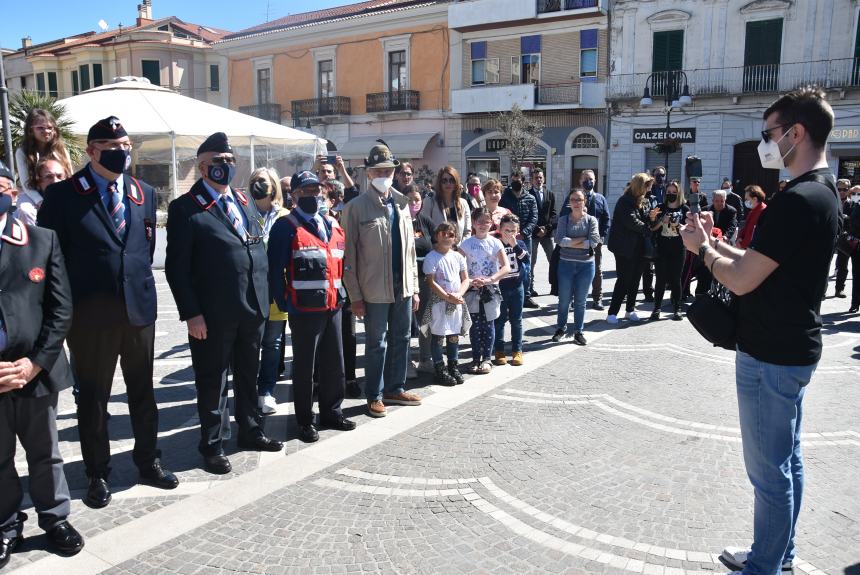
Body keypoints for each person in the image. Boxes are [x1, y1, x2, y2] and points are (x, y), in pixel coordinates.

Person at [680, 86, 840, 575]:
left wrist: (702, 252)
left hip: (773, 353)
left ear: (796, 133)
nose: (764, 144)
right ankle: (777, 555)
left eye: (768, 134)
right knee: (785, 464)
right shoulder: (818, 192)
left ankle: (766, 565)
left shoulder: (799, 200)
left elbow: (744, 278)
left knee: (769, 472)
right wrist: (716, 242)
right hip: (784, 348)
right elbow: (757, 261)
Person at [38, 116, 178, 507]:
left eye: (127, 146)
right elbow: (53, 260)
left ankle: (148, 461)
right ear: (92, 151)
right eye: (114, 148)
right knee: (95, 398)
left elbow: (142, 251)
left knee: (143, 393)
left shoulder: (142, 191)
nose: (123, 153)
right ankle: (97, 472)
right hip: (89, 317)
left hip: (138, 312)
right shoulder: (64, 196)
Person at [165, 132, 283, 475]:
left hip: (251, 309)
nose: (227, 167)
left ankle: (250, 430)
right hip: (213, 315)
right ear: (203, 168)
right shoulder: (186, 208)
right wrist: (192, 314)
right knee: (213, 382)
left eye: (231, 161)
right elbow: (177, 269)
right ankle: (213, 445)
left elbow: (254, 245)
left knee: (248, 375)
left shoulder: (243, 201)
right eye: (219, 162)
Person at [0, 163, 84, 566]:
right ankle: (5, 524)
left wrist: (35, 364)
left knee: (45, 452)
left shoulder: (42, 240)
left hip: (34, 373)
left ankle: (54, 519)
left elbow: (60, 309)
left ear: (14, 194)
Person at [268, 170, 356, 443]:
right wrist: (286, 303)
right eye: (305, 191)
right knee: (305, 369)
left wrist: (343, 296)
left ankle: (332, 411)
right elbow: (274, 271)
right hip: (304, 310)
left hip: (333, 305)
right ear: (293, 196)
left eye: (315, 190)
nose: (312, 195)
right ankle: (305, 421)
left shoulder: (333, 223)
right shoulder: (286, 226)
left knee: (334, 363)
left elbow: (341, 263)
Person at [341, 143, 422, 418]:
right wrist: (355, 296)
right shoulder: (355, 208)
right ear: (368, 173)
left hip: (403, 287)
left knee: (402, 337)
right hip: (373, 289)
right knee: (377, 343)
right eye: (378, 170)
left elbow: (410, 250)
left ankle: (394, 388)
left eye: (388, 170)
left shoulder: (402, 203)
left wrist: (415, 286)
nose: (384, 174)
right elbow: (348, 257)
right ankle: (374, 394)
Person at [248, 167, 288, 416]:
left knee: (272, 344)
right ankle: (247, 391)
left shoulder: (284, 216)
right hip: (250, 290)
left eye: (262, 181)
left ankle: (266, 391)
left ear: (273, 186)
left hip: (276, 289)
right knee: (251, 344)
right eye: (254, 181)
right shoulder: (241, 212)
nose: (258, 185)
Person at [460, 208, 510, 374]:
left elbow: (506, 267)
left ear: (491, 223)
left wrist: (490, 279)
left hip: (490, 290)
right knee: (474, 325)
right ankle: (475, 358)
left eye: (486, 222)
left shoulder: (496, 242)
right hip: (472, 290)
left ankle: (487, 358)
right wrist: (467, 280)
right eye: (479, 221)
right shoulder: (466, 244)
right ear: (473, 223)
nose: (483, 225)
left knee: (489, 324)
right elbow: (458, 265)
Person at [422, 222, 470, 386]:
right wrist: (447, 297)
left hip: (456, 301)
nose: (447, 237)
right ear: (437, 236)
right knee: (438, 336)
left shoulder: (457, 256)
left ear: (455, 238)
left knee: (454, 335)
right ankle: (439, 368)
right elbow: (431, 282)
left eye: (451, 234)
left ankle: (453, 365)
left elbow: (465, 279)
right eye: (443, 234)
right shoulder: (431, 257)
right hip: (439, 303)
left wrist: (459, 294)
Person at [553, 188, 599, 345]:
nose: (576, 203)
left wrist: (570, 242)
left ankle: (578, 331)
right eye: (573, 199)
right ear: (569, 203)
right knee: (564, 300)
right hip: (565, 264)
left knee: (580, 301)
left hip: (586, 267)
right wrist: (581, 240)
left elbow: (593, 242)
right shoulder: (563, 220)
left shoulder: (591, 220)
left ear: (584, 201)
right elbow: (559, 240)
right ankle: (561, 328)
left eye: (579, 199)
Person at [561, 170, 611, 310]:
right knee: (574, 270)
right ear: (580, 181)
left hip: (594, 243)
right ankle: (572, 299)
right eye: (585, 179)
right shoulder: (572, 198)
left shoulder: (601, 199)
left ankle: (597, 299)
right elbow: (563, 216)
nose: (588, 181)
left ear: (595, 181)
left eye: (591, 179)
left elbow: (606, 219)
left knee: (597, 271)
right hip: (574, 242)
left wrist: (601, 237)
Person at [14, 109, 73, 226]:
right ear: (31, 130)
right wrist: (40, 201)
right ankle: (32, 242)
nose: (46, 131)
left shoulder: (62, 150)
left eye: (50, 128)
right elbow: (26, 184)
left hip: (60, 192)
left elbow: (70, 176)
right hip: (32, 194)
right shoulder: (22, 152)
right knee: (26, 211)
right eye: (40, 128)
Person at [606, 173, 652, 324]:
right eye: (647, 185)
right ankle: (612, 313)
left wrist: (652, 217)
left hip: (639, 247)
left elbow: (644, 220)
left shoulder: (644, 201)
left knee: (635, 279)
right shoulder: (625, 201)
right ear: (640, 186)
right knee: (624, 280)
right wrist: (649, 228)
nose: (649, 188)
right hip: (624, 248)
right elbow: (632, 222)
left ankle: (630, 310)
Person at [647, 180, 689, 321]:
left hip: (678, 247)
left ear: (679, 193)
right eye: (668, 192)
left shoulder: (684, 209)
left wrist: (678, 225)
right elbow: (652, 227)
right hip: (662, 246)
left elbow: (689, 229)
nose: (671, 194)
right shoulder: (660, 207)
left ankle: (677, 308)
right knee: (660, 279)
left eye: (673, 192)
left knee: (676, 279)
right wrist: (660, 221)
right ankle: (657, 308)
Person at [405, 184, 435, 376]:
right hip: (406, 278)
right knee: (406, 322)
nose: (413, 203)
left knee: (426, 320)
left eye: (416, 199)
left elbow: (438, 241)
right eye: (409, 200)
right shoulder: (400, 220)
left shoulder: (425, 221)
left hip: (425, 279)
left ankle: (425, 358)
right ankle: (406, 361)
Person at [493, 214, 529, 365]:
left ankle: (517, 351)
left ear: (518, 231)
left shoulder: (520, 244)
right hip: (500, 287)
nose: (510, 234)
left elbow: (526, 260)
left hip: (516, 286)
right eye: (507, 230)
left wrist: (515, 245)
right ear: (500, 229)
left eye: (513, 230)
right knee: (499, 320)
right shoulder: (496, 244)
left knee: (516, 320)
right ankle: (499, 351)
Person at [499, 175, 538, 307]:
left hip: (524, 239)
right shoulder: (505, 198)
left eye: (518, 180)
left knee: (526, 267)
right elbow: (503, 218)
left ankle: (526, 295)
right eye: (514, 180)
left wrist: (524, 233)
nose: (516, 182)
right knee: (508, 266)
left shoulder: (530, 198)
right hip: (506, 238)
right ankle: (508, 295)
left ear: (523, 181)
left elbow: (534, 217)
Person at [419, 167, 471, 245]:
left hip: (459, 252)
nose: (448, 183)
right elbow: (424, 229)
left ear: (456, 182)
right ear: (439, 183)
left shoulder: (463, 203)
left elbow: (467, 231)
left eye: (452, 180)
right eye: (444, 180)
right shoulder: (429, 202)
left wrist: (461, 249)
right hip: (437, 251)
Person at [527, 168, 556, 299]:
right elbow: (528, 216)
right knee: (531, 262)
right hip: (533, 234)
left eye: (540, 177)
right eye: (536, 178)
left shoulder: (550, 194)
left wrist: (547, 228)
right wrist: (537, 229)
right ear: (532, 180)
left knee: (554, 259)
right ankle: (530, 288)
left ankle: (555, 286)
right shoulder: (527, 195)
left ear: (544, 178)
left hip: (547, 233)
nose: (538, 180)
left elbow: (554, 214)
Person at [839, 185, 860, 312]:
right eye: (854, 193)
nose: (856, 195)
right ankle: (855, 303)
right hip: (857, 247)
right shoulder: (856, 206)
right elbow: (853, 225)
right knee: (857, 276)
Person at [736, 185, 767, 250]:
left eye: (747, 199)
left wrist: (742, 244)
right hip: (746, 247)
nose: (746, 201)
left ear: (755, 199)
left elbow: (753, 234)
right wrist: (739, 238)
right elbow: (746, 228)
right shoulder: (753, 211)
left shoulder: (763, 212)